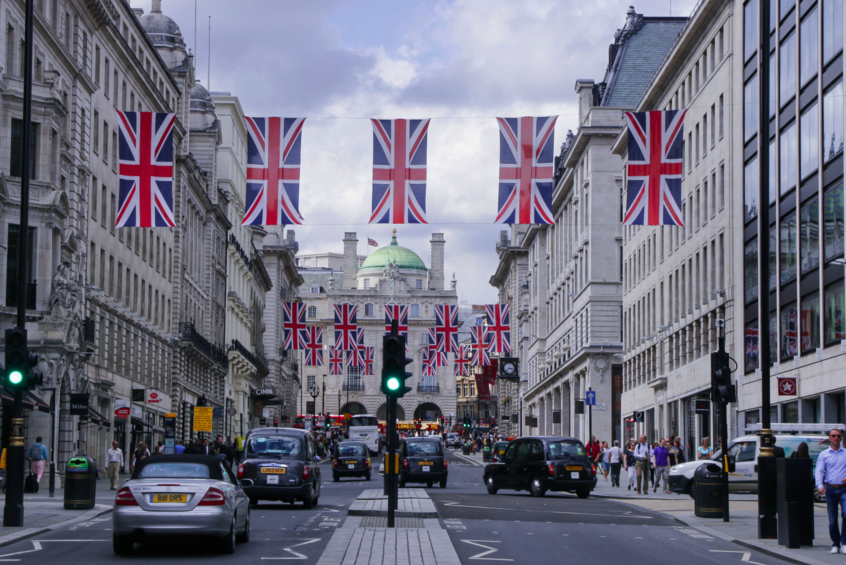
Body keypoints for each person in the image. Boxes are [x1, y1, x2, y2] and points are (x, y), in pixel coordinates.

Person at [816, 428, 846, 554]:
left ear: (841, 438)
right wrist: (819, 485)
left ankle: (844, 543)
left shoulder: (845, 453)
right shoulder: (824, 454)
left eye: (838, 436)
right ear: (829, 438)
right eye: (833, 435)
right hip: (830, 488)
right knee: (833, 518)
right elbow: (819, 470)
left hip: (844, 488)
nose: (836, 438)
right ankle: (835, 543)